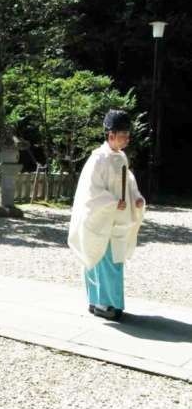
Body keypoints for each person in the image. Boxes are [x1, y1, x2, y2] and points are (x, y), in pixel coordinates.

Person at [68, 109, 145, 321]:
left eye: (128, 135)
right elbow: (90, 191)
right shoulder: (97, 159)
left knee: (112, 260)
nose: (127, 139)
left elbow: (128, 182)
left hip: (116, 220)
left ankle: (105, 302)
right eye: (123, 135)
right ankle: (102, 303)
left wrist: (136, 197)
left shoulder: (121, 157)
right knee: (100, 258)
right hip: (101, 219)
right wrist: (111, 203)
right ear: (110, 135)